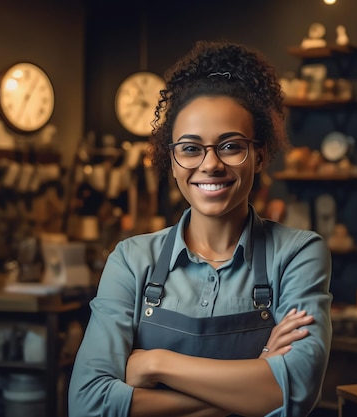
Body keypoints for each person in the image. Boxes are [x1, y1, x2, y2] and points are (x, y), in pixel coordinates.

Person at [68, 40, 333, 417]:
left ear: (259, 156)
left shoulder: (298, 253)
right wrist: (256, 385)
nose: (210, 165)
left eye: (230, 146)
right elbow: (87, 404)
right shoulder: (131, 260)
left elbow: (299, 393)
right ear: (171, 161)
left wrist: (155, 363)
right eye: (191, 149)